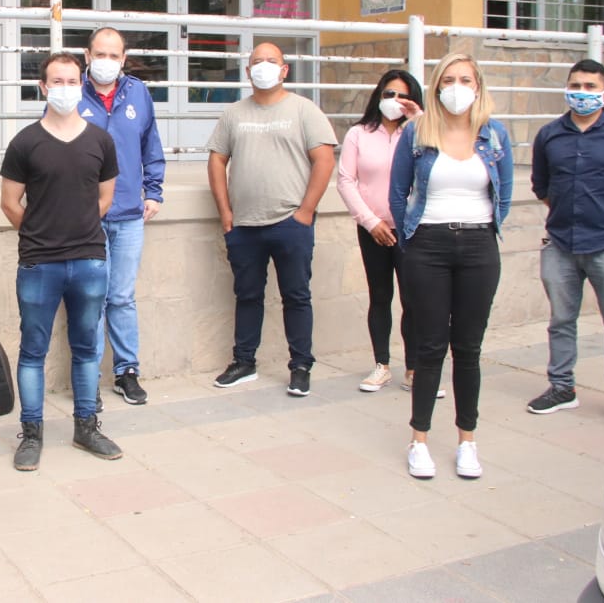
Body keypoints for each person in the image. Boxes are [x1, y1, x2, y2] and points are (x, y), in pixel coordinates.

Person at [389, 53, 513, 481]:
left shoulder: (495, 135)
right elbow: (397, 192)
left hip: (479, 245)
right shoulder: (417, 132)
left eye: (465, 79)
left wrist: (484, 231)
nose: (456, 87)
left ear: (477, 86)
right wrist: (411, 242)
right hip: (428, 245)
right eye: (448, 79)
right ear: (436, 86)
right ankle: (419, 440)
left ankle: (467, 441)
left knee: (469, 348)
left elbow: (506, 193)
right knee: (429, 347)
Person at [0, 52, 121, 471]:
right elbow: (9, 202)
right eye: (58, 81)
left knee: (87, 348)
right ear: (43, 87)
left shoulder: (100, 141)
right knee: (32, 350)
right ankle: (31, 433)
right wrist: (40, 232)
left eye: (73, 80)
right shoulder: (25, 142)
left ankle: (86, 426)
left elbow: (104, 198)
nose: (66, 88)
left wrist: (77, 228)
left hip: (89, 261)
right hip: (38, 263)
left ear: (81, 84)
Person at [527, 59, 604, 420]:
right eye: (575, 86)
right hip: (561, 245)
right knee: (561, 321)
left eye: (589, 87)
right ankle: (561, 387)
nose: (581, 93)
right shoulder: (550, 135)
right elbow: (542, 186)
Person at [207, 42, 337, 396]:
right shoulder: (234, 114)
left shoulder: (303, 110)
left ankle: (300, 365)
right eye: (256, 62)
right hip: (244, 225)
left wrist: (305, 212)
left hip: (290, 224)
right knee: (247, 295)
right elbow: (217, 160)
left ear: (285, 70)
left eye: (271, 61)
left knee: (296, 296)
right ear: (247, 72)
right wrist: (226, 213)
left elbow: (324, 160)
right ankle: (244, 361)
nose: (263, 66)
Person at [337, 69, 442, 394]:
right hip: (374, 229)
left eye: (402, 95)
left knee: (415, 300)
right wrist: (370, 222)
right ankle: (381, 364)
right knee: (380, 297)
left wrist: (419, 120)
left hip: (413, 229)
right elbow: (346, 180)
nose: (394, 101)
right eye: (388, 94)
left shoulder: (422, 132)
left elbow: (438, 166)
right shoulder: (359, 134)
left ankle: (414, 369)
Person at [80, 27, 165, 406]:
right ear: (86, 55)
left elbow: (151, 143)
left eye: (115, 56)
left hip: (130, 213)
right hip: (86, 215)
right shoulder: (71, 93)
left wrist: (155, 191)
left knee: (122, 297)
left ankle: (126, 372)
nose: (107, 62)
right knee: (91, 297)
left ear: (124, 59)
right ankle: (89, 377)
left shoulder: (138, 93)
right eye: (100, 54)